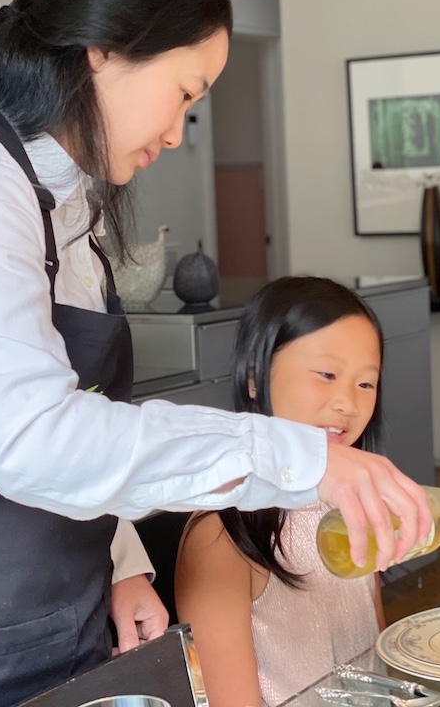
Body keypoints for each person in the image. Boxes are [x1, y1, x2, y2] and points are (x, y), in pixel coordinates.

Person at [0, 0, 430, 704]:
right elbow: (32, 441)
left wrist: (120, 563)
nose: (181, 129)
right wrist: (304, 459)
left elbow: (87, 421)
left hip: (64, 620)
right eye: (184, 92)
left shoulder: (71, 207)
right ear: (103, 51)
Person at [176, 277, 392, 707]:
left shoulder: (352, 502)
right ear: (255, 379)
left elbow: (381, 667)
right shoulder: (222, 534)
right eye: (327, 375)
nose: (348, 402)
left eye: (365, 383)